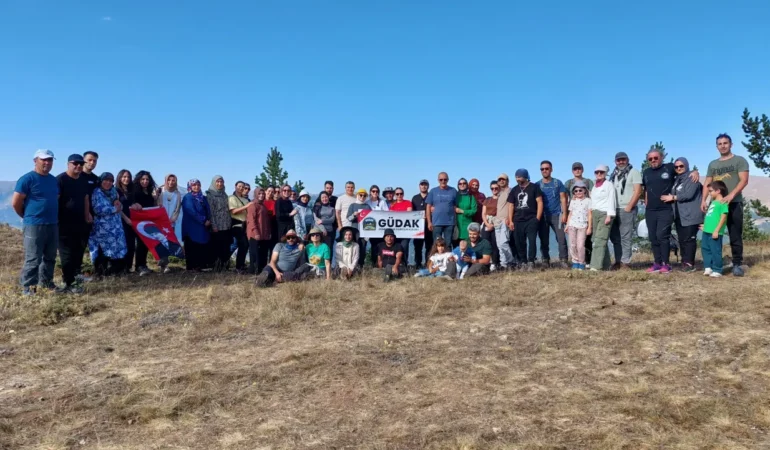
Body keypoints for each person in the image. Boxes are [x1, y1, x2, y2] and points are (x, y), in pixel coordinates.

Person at [701, 133, 750, 277]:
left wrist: (731, 195)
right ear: (717, 146)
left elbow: (744, 180)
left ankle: (737, 264)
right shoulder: (713, 164)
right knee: (712, 233)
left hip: (733, 203)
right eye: (720, 144)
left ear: (731, 144)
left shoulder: (739, 161)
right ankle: (714, 263)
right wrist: (703, 199)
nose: (723, 146)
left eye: (725, 143)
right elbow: (707, 182)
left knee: (735, 234)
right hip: (715, 204)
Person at [642, 148, 699, 274]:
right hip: (650, 210)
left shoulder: (669, 167)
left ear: (661, 158)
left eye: (656, 158)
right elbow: (646, 189)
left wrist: (695, 171)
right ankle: (657, 263)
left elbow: (683, 170)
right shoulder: (646, 172)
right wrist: (646, 202)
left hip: (666, 209)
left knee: (662, 236)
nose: (653, 160)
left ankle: (666, 264)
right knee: (653, 237)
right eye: (650, 159)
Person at [13, 149, 59, 296]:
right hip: (34, 224)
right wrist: (27, 216)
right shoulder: (27, 179)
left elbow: (56, 198)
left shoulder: (53, 180)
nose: (47, 162)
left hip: (52, 223)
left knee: (50, 257)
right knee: (33, 258)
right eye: (43, 159)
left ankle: (46, 283)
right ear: (35, 160)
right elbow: (16, 203)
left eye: (50, 160)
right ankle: (28, 288)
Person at [661, 157, 703, 272]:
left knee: (689, 239)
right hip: (680, 215)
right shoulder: (677, 179)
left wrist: (673, 197)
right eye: (676, 167)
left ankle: (689, 264)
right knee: (683, 239)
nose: (678, 168)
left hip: (691, 214)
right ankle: (685, 262)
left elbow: (689, 194)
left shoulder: (691, 178)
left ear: (686, 165)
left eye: (681, 166)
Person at [55, 154, 89, 293]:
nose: (79, 166)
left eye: (81, 164)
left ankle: (75, 276)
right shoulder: (60, 179)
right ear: (68, 164)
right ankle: (68, 282)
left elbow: (86, 198)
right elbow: (55, 200)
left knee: (78, 250)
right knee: (66, 253)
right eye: (75, 163)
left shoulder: (83, 180)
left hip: (80, 222)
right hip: (63, 223)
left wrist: (87, 215)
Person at [88, 172, 128, 277]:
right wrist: (115, 209)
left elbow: (120, 206)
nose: (108, 183)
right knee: (103, 251)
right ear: (101, 181)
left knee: (117, 250)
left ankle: (115, 272)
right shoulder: (96, 192)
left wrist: (119, 206)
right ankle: (101, 273)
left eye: (111, 181)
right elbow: (97, 209)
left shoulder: (114, 192)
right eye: (105, 180)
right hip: (102, 229)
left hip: (115, 227)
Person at [608, 152, 643, 270]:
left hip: (626, 208)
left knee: (625, 236)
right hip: (613, 209)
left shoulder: (634, 172)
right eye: (618, 160)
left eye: (623, 159)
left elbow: (638, 191)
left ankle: (625, 262)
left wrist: (630, 206)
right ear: (615, 162)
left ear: (627, 160)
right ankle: (618, 261)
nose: (621, 162)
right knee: (615, 237)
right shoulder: (613, 174)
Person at [507, 169, 543, 271]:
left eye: (520, 176)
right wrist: (510, 220)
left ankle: (531, 261)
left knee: (532, 241)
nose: (518, 178)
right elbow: (511, 205)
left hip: (531, 219)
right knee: (519, 242)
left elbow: (539, 202)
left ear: (525, 177)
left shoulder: (534, 187)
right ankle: (523, 262)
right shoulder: (514, 190)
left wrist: (537, 218)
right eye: (516, 177)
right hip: (517, 220)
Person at [537, 161, 569, 268]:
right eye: (542, 169)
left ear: (551, 169)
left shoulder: (558, 183)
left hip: (557, 215)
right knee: (543, 239)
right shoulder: (537, 185)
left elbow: (563, 198)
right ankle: (545, 260)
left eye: (547, 168)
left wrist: (565, 213)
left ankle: (563, 260)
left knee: (561, 238)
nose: (544, 170)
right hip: (543, 216)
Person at [566, 162, 595, 266]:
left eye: (579, 168)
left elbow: (592, 194)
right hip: (573, 217)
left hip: (584, 217)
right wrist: (566, 219)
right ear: (572, 171)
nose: (577, 170)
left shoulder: (588, 182)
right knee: (573, 243)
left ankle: (587, 261)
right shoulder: (568, 183)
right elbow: (565, 198)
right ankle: (576, 261)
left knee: (585, 242)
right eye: (575, 169)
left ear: (582, 170)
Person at [589, 165, 616, 271]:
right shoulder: (594, 186)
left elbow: (611, 199)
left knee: (600, 239)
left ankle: (595, 266)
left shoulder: (609, 185)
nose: (599, 174)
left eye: (601, 172)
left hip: (605, 213)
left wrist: (609, 215)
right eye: (597, 172)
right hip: (595, 213)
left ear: (605, 173)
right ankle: (606, 265)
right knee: (595, 239)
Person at [701, 181, 730, 278]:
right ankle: (708, 267)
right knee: (705, 249)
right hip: (707, 230)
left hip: (715, 232)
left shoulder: (723, 203)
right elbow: (711, 216)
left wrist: (717, 230)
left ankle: (717, 269)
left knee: (715, 250)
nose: (709, 193)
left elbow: (723, 217)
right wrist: (705, 226)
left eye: (711, 191)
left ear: (718, 191)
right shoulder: (713, 202)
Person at [181, 179, 211, 272]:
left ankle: (200, 266)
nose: (196, 187)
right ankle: (191, 267)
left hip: (202, 227)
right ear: (190, 186)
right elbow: (191, 211)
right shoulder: (188, 197)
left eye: (198, 185)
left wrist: (208, 219)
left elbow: (208, 209)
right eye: (194, 185)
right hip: (191, 226)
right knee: (192, 246)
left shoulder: (203, 197)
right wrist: (203, 220)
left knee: (201, 246)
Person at [132, 171, 158, 276]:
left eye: (147, 179)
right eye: (143, 179)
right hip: (138, 222)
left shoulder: (149, 191)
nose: (145, 181)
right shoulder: (135, 191)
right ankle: (138, 266)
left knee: (145, 244)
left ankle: (143, 264)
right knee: (140, 245)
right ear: (139, 180)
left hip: (147, 222)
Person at [156, 174, 183, 273]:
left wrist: (173, 219)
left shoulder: (178, 194)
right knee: (160, 243)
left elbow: (177, 208)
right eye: (169, 180)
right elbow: (156, 204)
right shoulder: (161, 191)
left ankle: (165, 264)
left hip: (171, 223)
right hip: (160, 221)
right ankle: (161, 264)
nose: (171, 182)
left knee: (168, 243)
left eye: (173, 180)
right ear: (166, 181)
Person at [206, 175, 233, 272]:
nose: (220, 184)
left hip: (226, 224)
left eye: (221, 182)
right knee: (217, 246)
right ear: (214, 183)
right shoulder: (210, 195)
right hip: (217, 225)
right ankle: (216, 267)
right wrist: (214, 225)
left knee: (226, 246)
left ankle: (225, 266)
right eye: (217, 182)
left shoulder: (224, 194)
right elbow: (211, 212)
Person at [426, 172, 458, 245]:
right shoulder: (433, 191)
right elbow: (428, 207)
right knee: (436, 244)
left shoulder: (453, 191)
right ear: (438, 180)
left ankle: (448, 257)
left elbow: (456, 206)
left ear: (448, 180)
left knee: (448, 244)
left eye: (445, 179)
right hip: (436, 223)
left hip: (450, 223)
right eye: (441, 179)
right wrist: (429, 222)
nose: (443, 181)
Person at [115, 170, 138, 273]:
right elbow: (117, 207)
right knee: (122, 244)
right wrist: (125, 218)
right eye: (124, 177)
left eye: (128, 177)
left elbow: (132, 204)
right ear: (120, 178)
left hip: (132, 221)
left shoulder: (131, 190)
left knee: (131, 244)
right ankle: (120, 267)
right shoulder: (116, 191)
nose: (126, 179)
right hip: (121, 221)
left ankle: (128, 267)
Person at [246, 187, 272, 274]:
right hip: (254, 234)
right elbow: (251, 220)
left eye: (263, 194)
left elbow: (266, 221)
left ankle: (262, 271)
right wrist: (256, 232)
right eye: (259, 194)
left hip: (263, 234)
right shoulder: (253, 205)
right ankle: (254, 271)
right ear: (256, 194)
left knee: (263, 254)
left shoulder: (263, 206)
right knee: (255, 254)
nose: (261, 195)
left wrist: (268, 233)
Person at [228, 181, 250, 273]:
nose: (241, 188)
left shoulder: (245, 200)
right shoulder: (232, 198)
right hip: (236, 225)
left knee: (243, 245)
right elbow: (234, 211)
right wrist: (247, 206)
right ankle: (238, 266)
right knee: (241, 244)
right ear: (235, 186)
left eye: (243, 187)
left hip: (245, 225)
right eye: (239, 186)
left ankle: (240, 265)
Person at [494, 173, 515, 269]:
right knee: (499, 245)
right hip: (497, 222)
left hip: (505, 221)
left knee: (503, 243)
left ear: (507, 181)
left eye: (504, 179)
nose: (501, 181)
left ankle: (511, 262)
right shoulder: (499, 193)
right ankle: (503, 264)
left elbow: (512, 206)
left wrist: (510, 219)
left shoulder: (510, 191)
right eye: (500, 180)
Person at [347, 188, 372, 268]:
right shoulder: (352, 205)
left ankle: (360, 268)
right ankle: (351, 267)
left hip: (364, 233)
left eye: (364, 195)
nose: (362, 197)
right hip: (354, 232)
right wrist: (354, 215)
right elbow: (349, 218)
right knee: (353, 250)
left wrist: (368, 235)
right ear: (357, 195)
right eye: (360, 195)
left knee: (362, 250)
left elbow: (371, 219)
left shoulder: (367, 206)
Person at [411, 179, 433, 268]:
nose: (423, 186)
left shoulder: (431, 197)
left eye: (425, 185)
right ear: (419, 186)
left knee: (429, 247)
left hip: (429, 226)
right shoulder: (415, 198)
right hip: (418, 227)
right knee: (417, 247)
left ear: (428, 186)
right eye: (422, 185)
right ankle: (418, 264)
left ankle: (428, 264)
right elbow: (411, 213)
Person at [389, 187, 413, 264]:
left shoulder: (408, 202)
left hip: (405, 231)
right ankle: (396, 265)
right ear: (395, 195)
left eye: (401, 193)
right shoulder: (392, 204)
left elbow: (409, 213)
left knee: (404, 247)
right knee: (395, 248)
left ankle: (405, 264)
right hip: (395, 232)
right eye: (397, 194)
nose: (399, 195)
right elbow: (390, 216)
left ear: (403, 194)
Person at [366, 185, 389, 264]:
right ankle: (373, 264)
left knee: (381, 246)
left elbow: (387, 214)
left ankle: (382, 264)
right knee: (373, 246)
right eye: (373, 191)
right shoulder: (367, 202)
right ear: (370, 192)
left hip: (381, 229)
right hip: (371, 228)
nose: (375, 193)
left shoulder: (382, 202)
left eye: (376, 191)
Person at [481, 180, 500, 270]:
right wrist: (487, 224)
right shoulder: (487, 199)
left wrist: (494, 224)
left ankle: (495, 262)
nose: (494, 190)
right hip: (487, 222)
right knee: (485, 243)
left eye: (496, 188)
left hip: (497, 222)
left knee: (495, 243)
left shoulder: (502, 199)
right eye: (492, 188)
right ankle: (486, 262)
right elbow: (483, 213)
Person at [454, 178, 478, 247]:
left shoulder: (471, 197)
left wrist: (462, 211)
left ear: (467, 185)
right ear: (458, 185)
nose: (462, 185)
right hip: (456, 226)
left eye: (464, 183)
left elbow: (474, 211)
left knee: (467, 249)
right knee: (456, 250)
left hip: (467, 227)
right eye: (460, 183)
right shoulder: (455, 196)